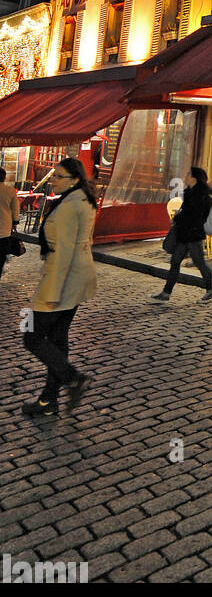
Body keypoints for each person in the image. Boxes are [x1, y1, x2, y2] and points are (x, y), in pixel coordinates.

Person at [21, 157, 97, 418]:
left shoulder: (69, 206)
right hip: (76, 280)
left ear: (74, 179)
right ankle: (48, 401)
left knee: (31, 336)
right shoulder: (82, 200)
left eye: (59, 176)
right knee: (57, 339)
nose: (53, 181)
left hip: (62, 280)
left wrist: (52, 292)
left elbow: (63, 252)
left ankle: (74, 379)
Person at [151, 166, 212, 305]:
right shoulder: (189, 192)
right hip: (185, 233)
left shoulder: (200, 195)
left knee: (199, 262)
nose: (185, 176)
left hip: (193, 235)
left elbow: (194, 216)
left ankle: (211, 289)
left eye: (188, 174)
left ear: (194, 178)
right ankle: (166, 293)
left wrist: (177, 218)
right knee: (175, 261)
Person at [0, 167, 20, 281]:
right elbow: (15, 210)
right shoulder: (10, 191)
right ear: (4, 177)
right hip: (4, 229)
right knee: (1, 255)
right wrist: (15, 222)